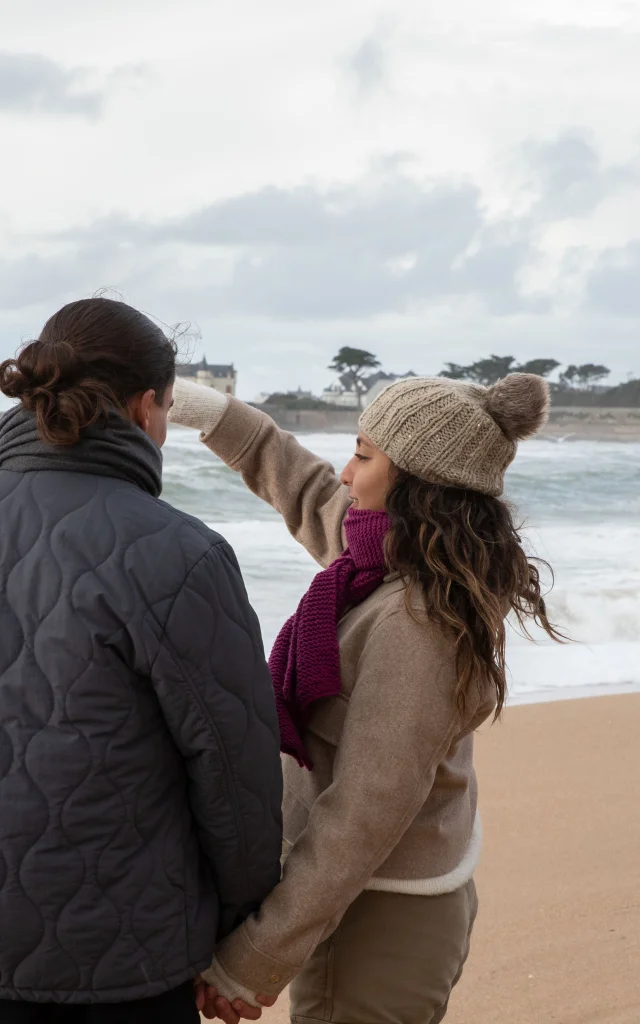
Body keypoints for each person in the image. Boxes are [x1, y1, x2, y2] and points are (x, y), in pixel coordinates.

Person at [169, 371, 562, 1024]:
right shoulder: (386, 564)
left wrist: (255, 957)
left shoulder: (416, 621)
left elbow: (362, 816)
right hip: (368, 898)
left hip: (383, 915)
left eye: (362, 453)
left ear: (416, 481)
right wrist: (217, 414)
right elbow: (307, 490)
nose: (346, 475)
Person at [0, 298, 283, 1023]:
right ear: (144, 406)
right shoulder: (179, 553)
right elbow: (232, 771)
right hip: (118, 957)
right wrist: (241, 927)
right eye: (162, 409)